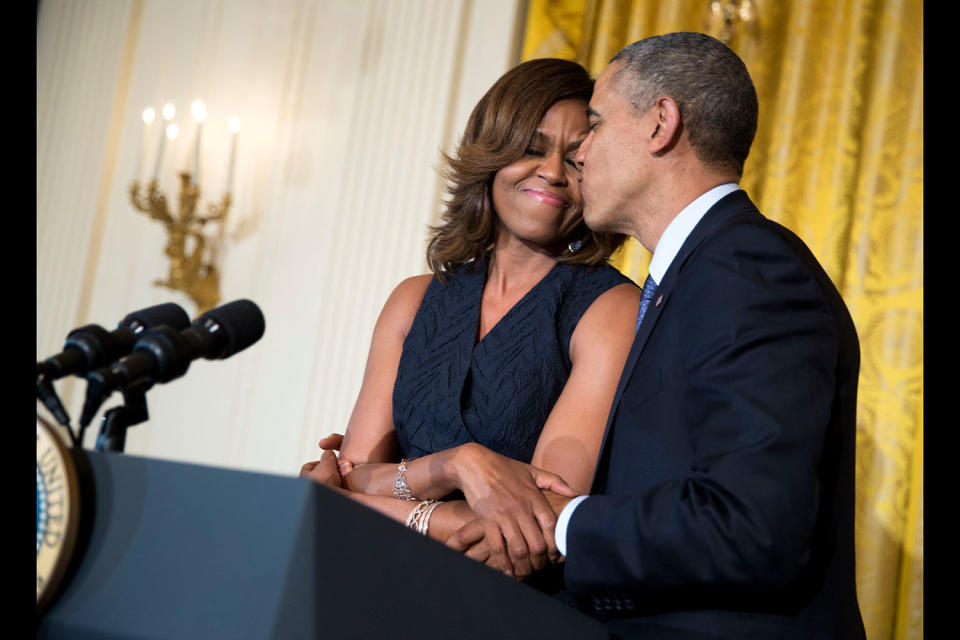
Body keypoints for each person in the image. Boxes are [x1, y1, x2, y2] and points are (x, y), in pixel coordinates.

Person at [449, 32, 867, 638]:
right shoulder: (696, 273)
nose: (580, 154)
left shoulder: (746, 266)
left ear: (660, 124)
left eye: (593, 124)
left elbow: (751, 527)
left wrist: (563, 524)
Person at [300, 58, 641, 580]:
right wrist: (458, 464)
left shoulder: (609, 310)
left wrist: (372, 497)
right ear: (491, 153)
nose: (551, 172)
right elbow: (352, 472)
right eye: (532, 147)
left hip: (505, 607)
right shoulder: (413, 300)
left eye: (575, 160)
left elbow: (538, 524)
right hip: (370, 579)